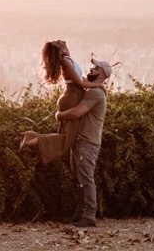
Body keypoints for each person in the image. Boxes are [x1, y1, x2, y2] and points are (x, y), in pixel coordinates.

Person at [19, 40, 99, 164]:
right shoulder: (66, 62)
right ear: (60, 49)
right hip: (72, 96)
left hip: (72, 96)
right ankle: (33, 139)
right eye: (58, 42)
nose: (60, 40)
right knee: (68, 139)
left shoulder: (68, 59)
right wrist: (99, 85)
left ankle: (35, 139)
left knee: (66, 136)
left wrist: (95, 85)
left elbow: (80, 78)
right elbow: (79, 83)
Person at [56, 58, 112, 227]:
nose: (91, 68)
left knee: (85, 178)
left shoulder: (96, 94)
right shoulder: (93, 90)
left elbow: (77, 112)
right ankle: (80, 214)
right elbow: (81, 81)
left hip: (88, 142)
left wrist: (59, 115)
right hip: (81, 141)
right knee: (78, 178)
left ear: (101, 73)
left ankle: (88, 215)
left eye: (95, 67)